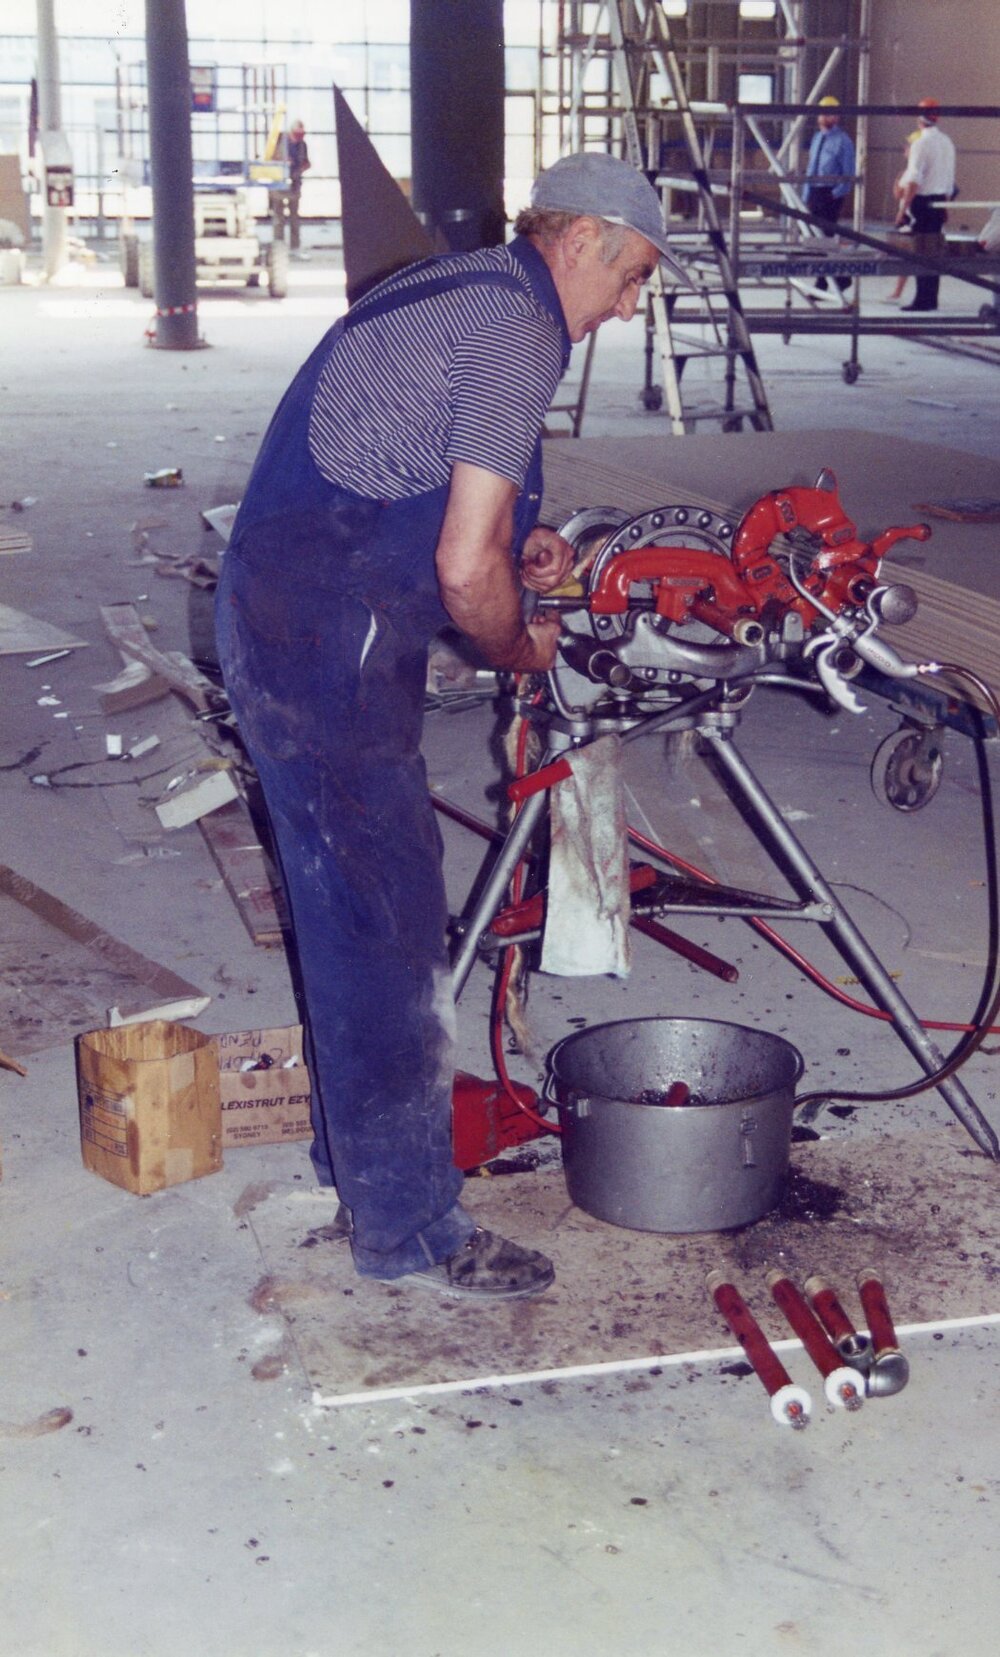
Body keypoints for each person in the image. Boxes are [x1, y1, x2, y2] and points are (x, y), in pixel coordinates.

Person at [215, 153, 684, 1300]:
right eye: (630, 277)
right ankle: (409, 1228)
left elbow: (453, 504)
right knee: (383, 926)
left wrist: (525, 548)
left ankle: (358, 1168)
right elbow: (461, 567)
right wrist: (519, 637)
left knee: (349, 912)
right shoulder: (517, 332)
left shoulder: (468, 293)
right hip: (322, 640)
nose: (629, 307)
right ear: (579, 241)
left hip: (301, 615)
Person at [894, 97, 957, 312]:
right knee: (933, 252)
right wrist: (946, 207)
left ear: (919, 117)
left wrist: (902, 211)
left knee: (921, 252)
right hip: (939, 202)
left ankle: (922, 299)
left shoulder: (921, 143)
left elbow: (913, 181)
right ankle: (931, 298)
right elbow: (949, 180)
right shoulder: (947, 142)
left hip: (922, 203)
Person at [803, 95, 856, 297]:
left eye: (830, 113)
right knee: (816, 240)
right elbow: (811, 168)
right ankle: (838, 278)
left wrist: (835, 194)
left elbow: (848, 173)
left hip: (829, 194)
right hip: (815, 192)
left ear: (837, 117)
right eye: (823, 112)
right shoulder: (818, 138)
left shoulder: (843, 142)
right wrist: (806, 193)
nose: (826, 116)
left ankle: (824, 283)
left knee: (824, 239)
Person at [887, 129, 922, 303]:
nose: (905, 149)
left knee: (906, 257)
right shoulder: (911, 170)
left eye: (908, 146)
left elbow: (899, 193)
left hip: (908, 218)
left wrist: (897, 181)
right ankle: (898, 291)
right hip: (908, 216)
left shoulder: (910, 172)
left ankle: (898, 291)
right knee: (907, 256)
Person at [277, 118, 311, 253]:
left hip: (295, 184)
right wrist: (283, 162)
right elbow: (271, 158)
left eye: (302, 134)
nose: (300, 137)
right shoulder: (280, 141)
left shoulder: (303, 145)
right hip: (279, 185)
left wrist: (304, 166)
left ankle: (295, 246)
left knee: (294, 218)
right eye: (297, 134)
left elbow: (306, 161)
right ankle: (278, 246)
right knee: (278, 218)